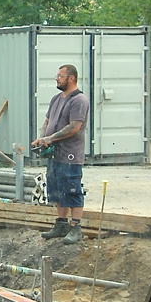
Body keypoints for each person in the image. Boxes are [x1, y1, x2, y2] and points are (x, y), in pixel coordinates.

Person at [31, 64, 90, 244]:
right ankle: (61, 224)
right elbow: (48, 120)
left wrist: (51, 138)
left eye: (60, 76)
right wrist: (42, 138)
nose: (57, 79)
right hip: (55, 155)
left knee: (72, 190)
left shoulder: (79, 100)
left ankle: (76, 227)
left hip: (70, 154)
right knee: (56, 190)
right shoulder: (57, 99)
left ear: (71, 78)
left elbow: (74, 127)